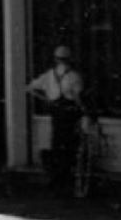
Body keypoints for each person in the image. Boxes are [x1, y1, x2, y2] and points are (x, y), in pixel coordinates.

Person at [27, 46, 85, 192]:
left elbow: (30, 88)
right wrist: (83, 110)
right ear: (70, 59)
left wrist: (46, 99)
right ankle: (67, 178)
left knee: (56, 144)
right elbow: (78, 98)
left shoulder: (48, 75)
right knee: (70, 146)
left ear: (55, 59)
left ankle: (57, 179)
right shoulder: (74, 76)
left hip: (56, 114)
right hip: (70, 115)